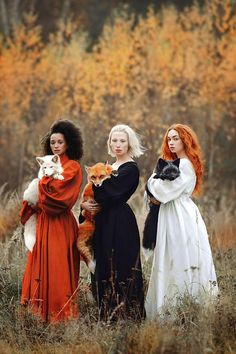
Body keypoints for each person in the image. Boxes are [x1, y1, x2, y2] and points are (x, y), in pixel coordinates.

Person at [145, 123, 218, 320]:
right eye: (169, 139)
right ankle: (172, 309)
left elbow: (162, 191)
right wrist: (154, 185)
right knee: (172, 257)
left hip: (180, 217)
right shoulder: (175, 163)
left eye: (176, 138)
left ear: (186, 140)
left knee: (180, 257)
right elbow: (157, 192)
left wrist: (151, 181)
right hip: (172, 214)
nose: (171, 142)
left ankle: (180, 309)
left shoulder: (184, 164)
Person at [20, 119, 83, 322]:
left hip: (60, 224)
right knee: (39, 265)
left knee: (57, 269)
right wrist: (36, 194)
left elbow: (59, 198)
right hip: (43, 222)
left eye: (60, 142)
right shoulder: (47, 162)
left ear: (69, 144)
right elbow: (38, 194)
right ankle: (37, 317)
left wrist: (41, 185)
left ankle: (60, 317)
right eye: (53, 142)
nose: (56, 146)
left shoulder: (72, 167)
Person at [81, 124, 145, 321]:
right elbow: (92, 192)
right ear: (109, 143)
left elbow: (112, 194)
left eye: (122, 141)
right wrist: (84, 206)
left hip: (119, 224)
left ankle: (127, 316)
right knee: (102, 266)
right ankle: (105, 315)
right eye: (114, 140)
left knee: (121, 266)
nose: (118, 145)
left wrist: (95, 192)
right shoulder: (108, 167)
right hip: (101, 223)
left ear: (129, 144)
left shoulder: (130, 169)